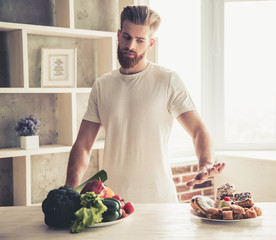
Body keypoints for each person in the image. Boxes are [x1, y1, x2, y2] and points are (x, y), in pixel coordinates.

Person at [65, 5, 225, 203]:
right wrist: (69, 190)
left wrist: (206, 164)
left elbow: (199, 130)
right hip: (113, 202)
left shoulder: (168, 80)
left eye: (140, 40)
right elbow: (83, 145)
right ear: (118, 35)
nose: (131, 45)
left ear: (150, 44)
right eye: (126, 37)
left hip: (159, 201)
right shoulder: (102, 85)